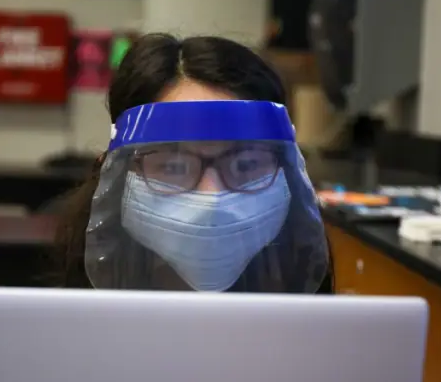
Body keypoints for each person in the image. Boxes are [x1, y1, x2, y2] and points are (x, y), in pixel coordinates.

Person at [53, 33, 334, 293]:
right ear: (116, 175)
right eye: (173, 167)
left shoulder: (315, 325)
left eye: (246, 166)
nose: (212, 200)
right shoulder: (72, 324)